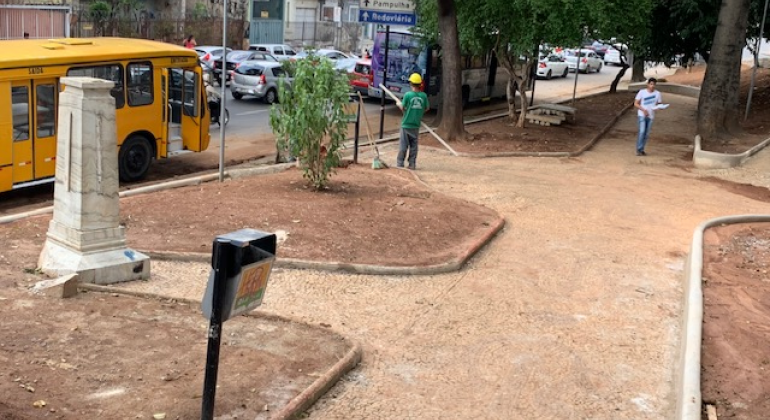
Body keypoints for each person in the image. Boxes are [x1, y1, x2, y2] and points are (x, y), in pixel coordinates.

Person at [396, 73, 429, 170]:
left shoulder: (408, 95)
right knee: (414, 146)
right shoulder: (423, 96)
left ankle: (400, 164)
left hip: (406, 125)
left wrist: (398, 104)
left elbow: (403, 107)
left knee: (403, 145)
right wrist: (418, 113)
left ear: (411, 83)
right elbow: (427, 108)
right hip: (416, 125)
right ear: (420, 84)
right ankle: (412, 164)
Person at [634, 77, 663, 156]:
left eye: (654, 84)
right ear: (648, 84)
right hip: (642, 115)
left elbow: (659, 104)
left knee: (646, 134)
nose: (652, 86)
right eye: (651, 84)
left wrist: (659, 107)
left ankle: (642, 149)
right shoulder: (642, 92)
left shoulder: (657, 94)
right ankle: (639, 149)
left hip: (651, 116)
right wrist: (643, 110)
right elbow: (636, 103)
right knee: (642, 131)